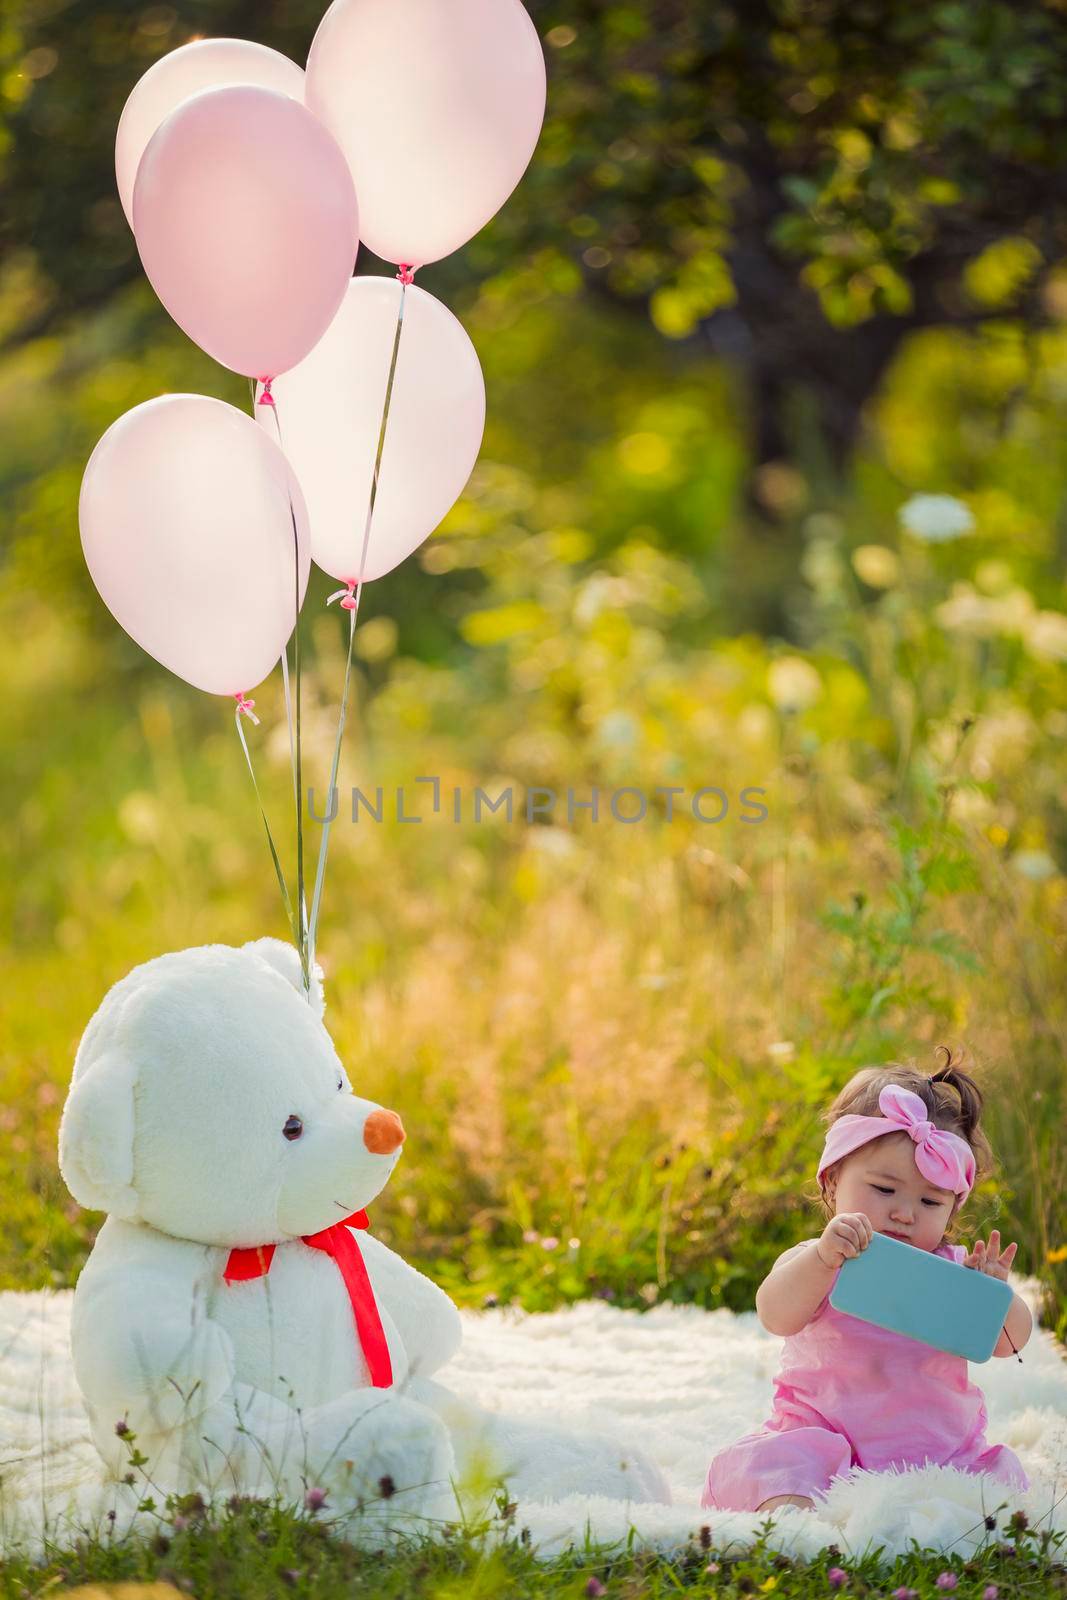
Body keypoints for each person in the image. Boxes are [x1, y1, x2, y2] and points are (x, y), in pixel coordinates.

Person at [702, 1051, 1033, 1514]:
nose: (904, 1212)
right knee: (783, 1464)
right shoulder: (822, 1260)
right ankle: (795, 1521)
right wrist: (822, 1259)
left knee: (983, 1494)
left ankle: (930, 1514)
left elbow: (1009, 1343)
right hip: (824, 1436)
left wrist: (993, 1297)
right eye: (884, 1190)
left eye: (930, 1202)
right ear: (833, 1182)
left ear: (953, 1210)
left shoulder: (953, 1273)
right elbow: (775, 1314)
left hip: (931, 1449)